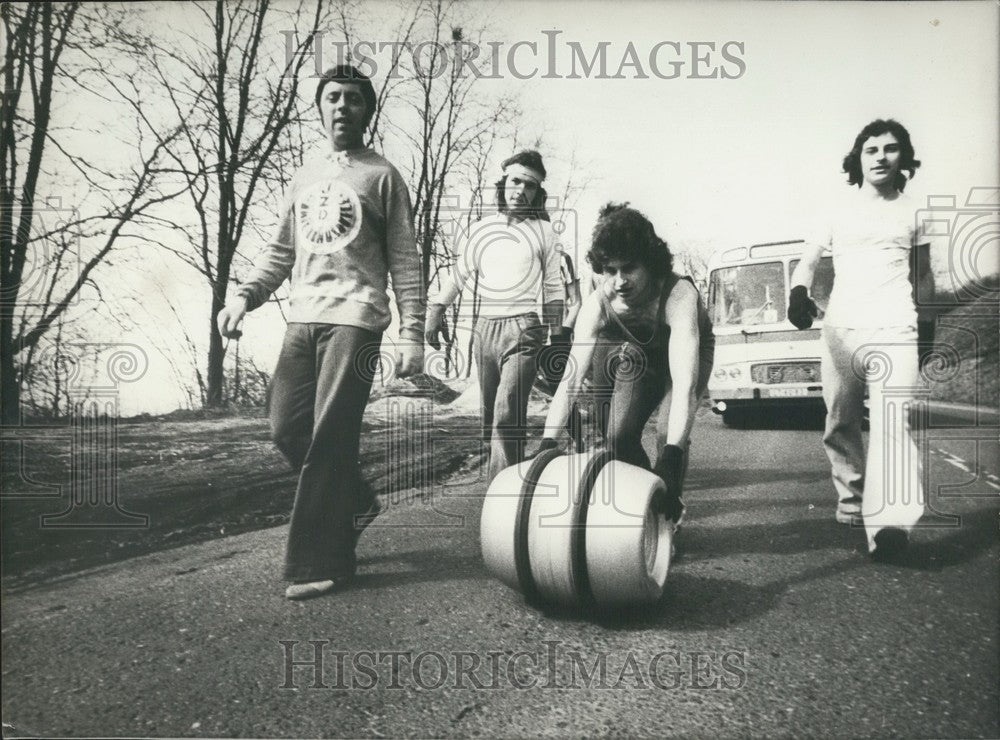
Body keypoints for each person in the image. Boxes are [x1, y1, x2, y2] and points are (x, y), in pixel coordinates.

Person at [217, 65, 424, 600]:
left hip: (356, 319)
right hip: (302, 318)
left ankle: (318, 561)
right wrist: (244, 296)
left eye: (353, 100)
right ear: (320, 108)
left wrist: (412, 334)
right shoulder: (304, 176)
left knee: (331, 436)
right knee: (287, 428)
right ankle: (355, 500)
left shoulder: (384, 176)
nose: (341, 108)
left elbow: (405, 261)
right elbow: (281, 251)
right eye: (332, 98)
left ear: (367, 110)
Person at [788, 118, 932, 561]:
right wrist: (798, 291)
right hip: (842, 330)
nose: (881, 157)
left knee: (895, 423)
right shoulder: (837, 208)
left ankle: (889, 524)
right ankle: (852, 501)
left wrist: (928, 328)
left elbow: (923, 275)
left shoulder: (915, 211)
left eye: (891, 149)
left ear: (903, 158)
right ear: (859, 158)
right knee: (841, 418)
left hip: (896, 327)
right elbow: (808, 260)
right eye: (872, 150)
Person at [534, 203, 715, 527]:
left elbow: (685, 386)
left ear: (651, 263)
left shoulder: (678, 295)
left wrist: (671, 459)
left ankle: (670, 507)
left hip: (687, 352)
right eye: (610, 270)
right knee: (618, 437)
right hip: (638, 352)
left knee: (666, 437)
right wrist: (548, 441)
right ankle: (650, 501)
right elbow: (571, 381)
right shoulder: (598, 303)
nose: (619, 281)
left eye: (629, 268)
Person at [425, 151, 564, 482]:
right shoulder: (482, 229)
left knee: (507, 414)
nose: (521, 190)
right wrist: (436, 309)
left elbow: (554, 288)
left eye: (530, 185)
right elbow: (459, 274)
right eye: (515, 181)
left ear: (537, 192)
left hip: (524, 329)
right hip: (484, 331)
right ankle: (509, 483)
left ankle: (500, 498)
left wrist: (556, 337)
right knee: (491, 420)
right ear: (503, 184)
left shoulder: (545, 232)